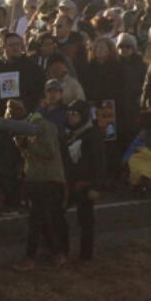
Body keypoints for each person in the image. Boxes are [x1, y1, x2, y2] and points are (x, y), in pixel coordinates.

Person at [0, 113, 69, 270]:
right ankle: (57, 254)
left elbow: (49, 152)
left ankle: (30, 258)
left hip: (47, 180)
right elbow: (32, 158)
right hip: (36, 179)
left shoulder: (45, 126)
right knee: (42, 219)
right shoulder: (31, 130)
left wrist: (27, 145)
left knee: (36, 220)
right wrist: (22, 146)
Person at [63, 100, 104, 261]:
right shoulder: (70, 134)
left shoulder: (92, 135)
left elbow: (99, 162)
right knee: (57, 214)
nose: (72, 117)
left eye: (75, 114)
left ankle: (86, 254)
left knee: (85, 220)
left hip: (85, 184)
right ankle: (62, 250)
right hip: (70, 182)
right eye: (70, 114)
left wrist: (96, 186)